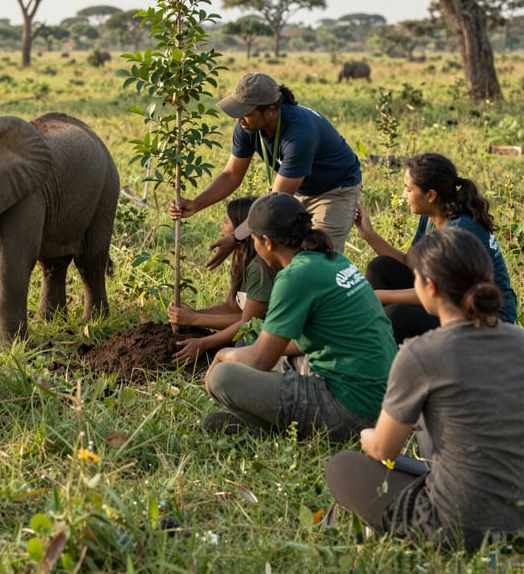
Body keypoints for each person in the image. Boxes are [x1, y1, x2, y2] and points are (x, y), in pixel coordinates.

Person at [325, 227, 524, 551]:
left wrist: (367, 437)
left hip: (458, 524)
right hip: (519, 513)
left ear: (428, 286)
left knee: (342, 466)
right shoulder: (519, 338)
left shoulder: (420, 353)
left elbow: (383, 450)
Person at [203, 193, 396, 442]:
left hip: (352, 410)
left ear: (268, 243)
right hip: (384, 400)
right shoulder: (332, 258)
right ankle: (267, 418)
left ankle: (268, 428)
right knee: (250, 341)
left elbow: (261, 359)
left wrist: (221, 354)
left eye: (253, 238)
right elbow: (295, 342)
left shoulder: (294, 276)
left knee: (224, 377)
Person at [170, 72, 362, 263]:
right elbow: (231, 175)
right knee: (281, 250)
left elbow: (273, 206)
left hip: (334, 190)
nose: (239, 119)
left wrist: (236, 238)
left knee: (320, 261)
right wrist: (196, 204)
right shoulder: (247, 126)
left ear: (270, 110)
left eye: (246, 113)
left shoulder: (299, 135)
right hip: (297, 187)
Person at [355, 152, 517, 344]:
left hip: (487, 317)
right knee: (380, 267)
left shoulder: (458, 231)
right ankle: (376, 345)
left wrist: (378, 296)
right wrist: (369, 235)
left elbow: (438, 290)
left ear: (431, 195)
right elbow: (411, 263)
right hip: (456, 301)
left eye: (408, 189)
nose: (404, 195)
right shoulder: (433, 215)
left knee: (396, 315)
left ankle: (396, 363)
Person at [167, 197, 275, 364]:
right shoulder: (241, 259)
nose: (221, 226)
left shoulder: (259, 268)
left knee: (243, 344)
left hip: (270, 333)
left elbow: (249, 323)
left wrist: (197, 327)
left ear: (241, 230)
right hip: (252, 326)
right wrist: (191, 314)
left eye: (226, 221)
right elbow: (231, 307)